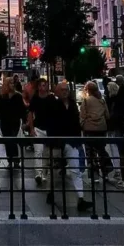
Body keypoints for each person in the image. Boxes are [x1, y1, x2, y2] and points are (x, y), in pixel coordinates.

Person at [45, 82, 93, 213]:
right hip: (57, 143)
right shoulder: (53, 105)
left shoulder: (72, 104)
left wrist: (77, 139)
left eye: (66, 89)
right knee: (54, 172)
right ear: (57, 92)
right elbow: (50, 124)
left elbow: (76, 123)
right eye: (62, 90)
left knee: (75, 170)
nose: (65, 91)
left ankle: (81, 198)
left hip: (71, 142)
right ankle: (51, 192)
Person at [0, 76, 27, 166]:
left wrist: (24, 121)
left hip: (14, 121)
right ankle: (10, 159)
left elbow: (22, 110)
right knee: (7, 141)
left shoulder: (18, 96)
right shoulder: (2, 97)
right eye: (10, 83)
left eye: (13, 83)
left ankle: (15, 160)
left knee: (12, 139)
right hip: (4, 122)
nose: (12, 84)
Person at [27, 78, 55, 186]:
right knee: (38, 152)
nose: (43, 87)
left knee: (47, 154)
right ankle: (38, 174)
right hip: (38, 128)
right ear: (38, 87)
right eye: (41, 85)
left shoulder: (51, 98)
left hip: (50, 129)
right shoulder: (35, 98)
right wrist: (31, 128)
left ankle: (44, 173)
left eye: (45, 85)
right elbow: (30, 113)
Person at [79, 80, 110, 175]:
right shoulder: (102, 100)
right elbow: (107, 115)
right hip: (101, 128)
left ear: (88, 90)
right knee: (101, 149)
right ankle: (106, 170)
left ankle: (94, 173)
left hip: (89, 129)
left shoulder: (86, 101)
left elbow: (82, 116)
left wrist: (82, 125)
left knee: (90, 152)